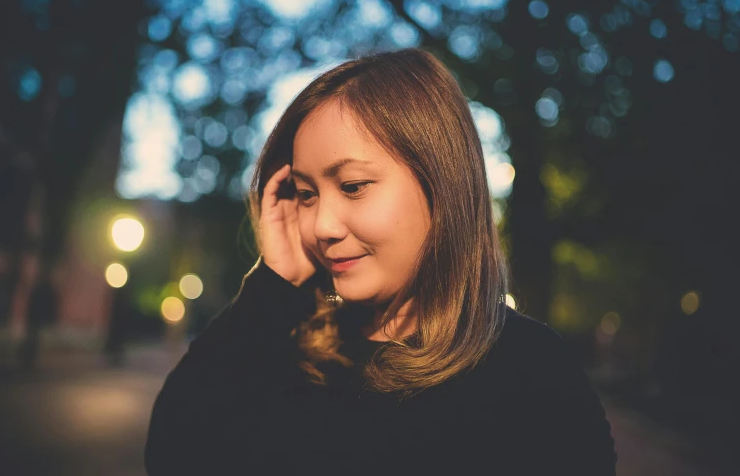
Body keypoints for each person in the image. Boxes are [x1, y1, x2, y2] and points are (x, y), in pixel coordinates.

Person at [145, 48, 617, 475]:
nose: (322, 226)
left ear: (441, 185)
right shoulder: (286, 351)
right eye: (307, 194)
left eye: (352, 186)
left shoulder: (530, 374)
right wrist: (273, 283)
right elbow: (173, 454)